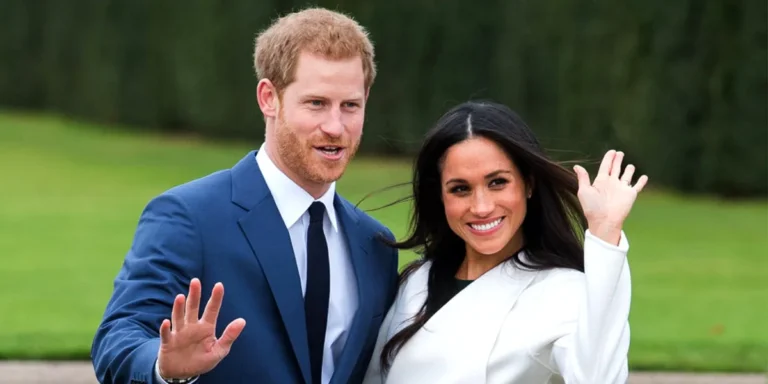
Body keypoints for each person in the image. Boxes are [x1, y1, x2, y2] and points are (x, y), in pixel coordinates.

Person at [90, 8, 400, 384]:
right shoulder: (189, 217)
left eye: (350, 105)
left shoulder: (376, 244)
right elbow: (118, 338)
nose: (335, 127)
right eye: (316, 103)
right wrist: (163, 366)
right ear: (269, 98)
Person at [362, 101, 648, 384]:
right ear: (440, 196)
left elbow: (597, 378)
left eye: (497, 182)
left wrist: (605, 234)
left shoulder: (561, 291)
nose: (482, 206)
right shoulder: (415, 282)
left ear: (529, 183)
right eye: (460, 189)